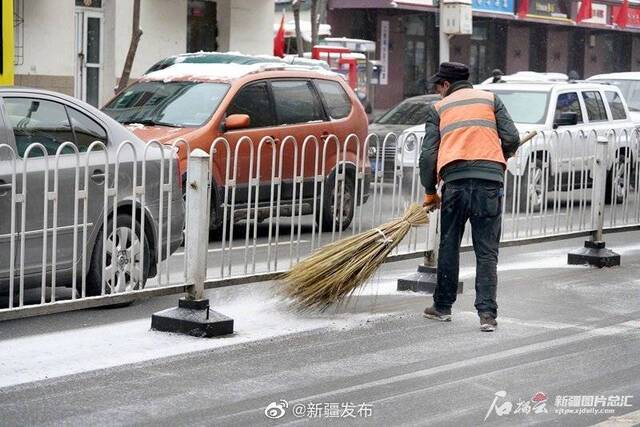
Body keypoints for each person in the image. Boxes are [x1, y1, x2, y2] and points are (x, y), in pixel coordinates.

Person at [419, 62, 520, 332]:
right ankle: (487, 315)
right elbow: (511, 137)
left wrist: (430, 192)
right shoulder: (491, 99)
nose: (438, 92)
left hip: (455, 184)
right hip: (489, 183)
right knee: (486, 251)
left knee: (449, 245)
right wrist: (502, 157)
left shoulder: (439, 109)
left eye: (438, 86)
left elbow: (428, 155)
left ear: (446, 85)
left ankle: (442, 307)